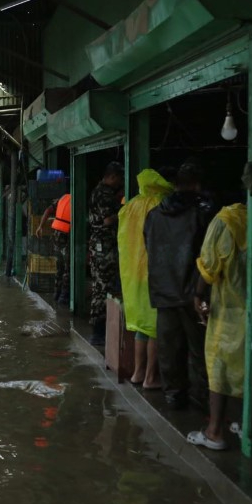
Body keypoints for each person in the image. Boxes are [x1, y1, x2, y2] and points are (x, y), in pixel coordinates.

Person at [143, 161, 215, 409]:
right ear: (197, 184)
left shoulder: (154, 216)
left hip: (163, 290)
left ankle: (174, 396)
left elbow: (149, 247)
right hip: (194, 292)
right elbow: (209, 254)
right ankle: (204, 399)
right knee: (200, 350)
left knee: (169, 349)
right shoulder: (202, 212)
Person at [187, 201, 248, 450]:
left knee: (219, 366)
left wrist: (198, 295)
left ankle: (215, 432)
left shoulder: (224, 221)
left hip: (228, 309)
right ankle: (249, 425)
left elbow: (209, 266)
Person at [117, 168, 173, 389]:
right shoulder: (161, 205)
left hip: (133, 274)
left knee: (142, 326)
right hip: (154, 273)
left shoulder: (130, 206)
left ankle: (137, 374)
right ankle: (151, 377)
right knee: (154, 327)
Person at [88, 162, 125, 345]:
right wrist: (125, 211)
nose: (120, 182)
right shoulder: (104, 193)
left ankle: (100, 331)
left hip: (101, 245)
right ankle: (98, 332)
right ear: (112, 176)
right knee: (103, 288)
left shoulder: (100, 191)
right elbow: (108, 219)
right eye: (118, 178)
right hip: (104, 246)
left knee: (101, 287)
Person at [38, 192, 72, 304]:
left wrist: (41, 226)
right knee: (67, 268)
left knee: (59, 266)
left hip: (57, 234)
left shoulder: (62, 198)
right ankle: (63, 297)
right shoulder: (78, 200)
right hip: (67, 234)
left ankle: (56, 294)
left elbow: (48, 210)